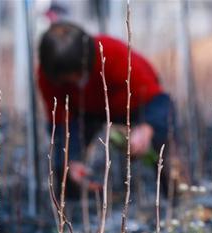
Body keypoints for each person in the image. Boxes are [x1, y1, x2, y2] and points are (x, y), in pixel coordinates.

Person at [38, 22, 174, 197]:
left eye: (80, 74)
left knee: (166, 147)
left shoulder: (114, 54)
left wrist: (147, 128)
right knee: (63, 167)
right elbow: (60, 124)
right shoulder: (47, 75)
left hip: (133, 106)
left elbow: (160, 101)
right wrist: (70, 161)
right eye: (67, 81)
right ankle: (73, 209)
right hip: (83, 114)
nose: (77, 83)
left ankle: (175, 197)